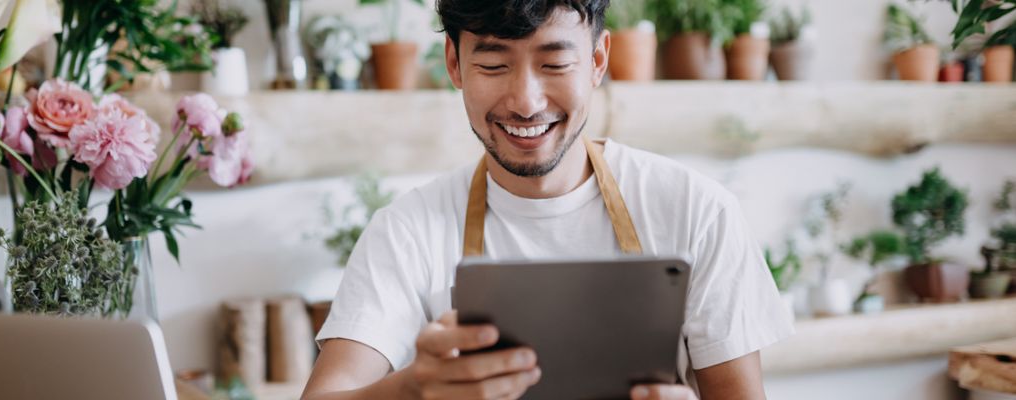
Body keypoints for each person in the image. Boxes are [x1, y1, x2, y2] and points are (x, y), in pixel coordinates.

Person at [301, 1, 794, 399]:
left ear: (599, 60)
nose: (526, 101)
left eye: (555, 63)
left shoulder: (698, 211)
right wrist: (412, 390)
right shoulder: (407, 231)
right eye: (493, 64)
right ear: (454, 63)